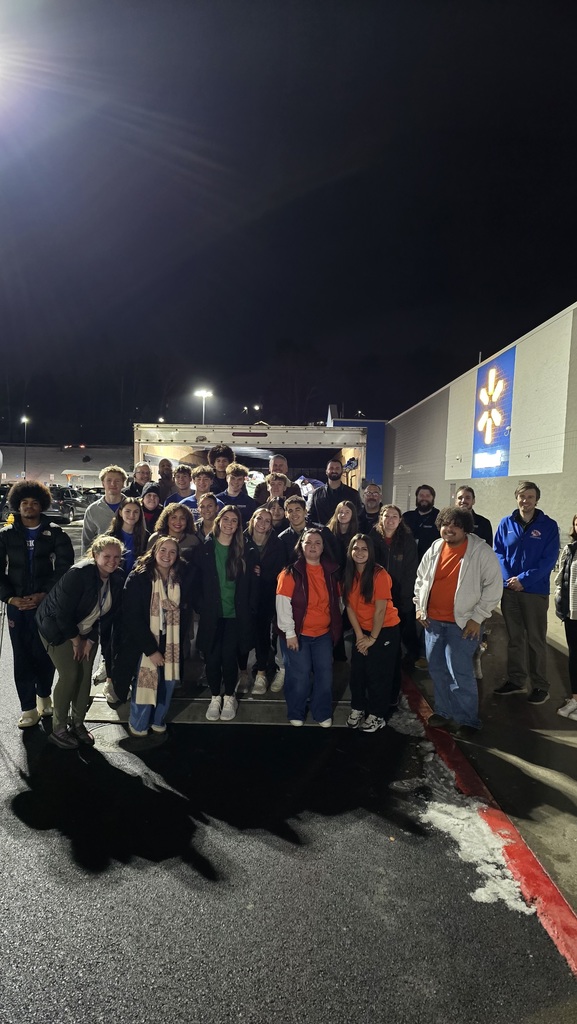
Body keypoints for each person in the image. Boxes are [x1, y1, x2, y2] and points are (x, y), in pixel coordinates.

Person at [414, 507, 503, 735]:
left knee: (460, 672)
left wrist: (477, 618)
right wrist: (419, 607)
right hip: (432, 623)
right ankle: (444, 712)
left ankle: (467, 720)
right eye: (445, 524)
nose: (449, 529)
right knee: (437, 669)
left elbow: (493, 588)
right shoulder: (435, 547)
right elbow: (421, 579)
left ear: (465, 528)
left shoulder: (480, 552)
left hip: (463, 624)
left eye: (455, 525)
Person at [36, 535, 124, 748]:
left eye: (117, 557)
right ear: (95, 555)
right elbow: (62, 613)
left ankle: (78, 723)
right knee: (71, 674)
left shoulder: (117, 577)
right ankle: (58, 728)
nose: (112, 561)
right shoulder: (80, 574)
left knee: (85, 677)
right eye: (106, 556)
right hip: (58, 629)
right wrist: (76, 640)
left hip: (87, 630)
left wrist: (91, 640)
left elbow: (108, 615)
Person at [0, 481, 74, 729]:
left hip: (45, 605)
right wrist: (10, 598)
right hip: (17, 605)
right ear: (17, 506)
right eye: (24, 503)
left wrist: (44, 595)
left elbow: (64, 569)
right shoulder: (7, 535)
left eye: (34, 503)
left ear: (41, 505)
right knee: (21, 656)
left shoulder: (55, 533)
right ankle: (28, 708)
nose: (29, 507)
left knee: (44, 653)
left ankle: (44, 696)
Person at [493, 481, 560, 704]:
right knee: (514, 638)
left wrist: (523, 580)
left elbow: (548, 560)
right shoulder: (505, 523)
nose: (525, 501)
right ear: (516, 498)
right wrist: (509, 580)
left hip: (534, 591)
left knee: (535, 640)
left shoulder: (548, 526)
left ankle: (540, 685)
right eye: (522, 496)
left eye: (530, 497)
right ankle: (516, 679)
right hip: (509, 591)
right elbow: (499, 553)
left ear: (536, 500)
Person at [118, 538, 186, 737]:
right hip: (145, 641)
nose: (167, 555)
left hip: (170, 639)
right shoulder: (139, 577)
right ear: (154, 551)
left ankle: (158, 719)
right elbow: (132, 618)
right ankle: (139, 723)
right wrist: (151, 650)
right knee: (146, 682)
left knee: (168, 682)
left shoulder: (178, 578)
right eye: (163, 550)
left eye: (172, 552)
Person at [196, 506, 256, 722]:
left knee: (229, 657)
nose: (230, 524)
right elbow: (195, 583)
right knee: (212, 658)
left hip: (235, 615)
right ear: (219, 521)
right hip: (212, 614)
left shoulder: (245, 550)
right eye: (226, 519)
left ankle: (229, 696)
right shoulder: (205, 548)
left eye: (234, 521)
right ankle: (215, 696)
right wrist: (202, 607)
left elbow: (252, 585)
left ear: (239, 526)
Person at [276, 528, 341, 727]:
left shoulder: (332, 572)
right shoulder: (289, 573)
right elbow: (282, 604)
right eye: (308, 542)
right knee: (300, 674)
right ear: (301, 546)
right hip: (297, 634)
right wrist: (290, 633)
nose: (313, 546)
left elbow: (339, 601)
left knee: (325, 674)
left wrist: (333, 626)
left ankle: (321, 712)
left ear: (323, 547)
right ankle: (296, 710)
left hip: (323, 634)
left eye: (317, 542)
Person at [344, 533, 400, 732]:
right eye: (355, 548)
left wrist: (372, 639)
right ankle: (358, 708)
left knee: (378, 675)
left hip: (384, 631)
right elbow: (349, 607)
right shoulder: (349, 574)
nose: (359, 552)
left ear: (371, 552)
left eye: (364, 549)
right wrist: (360, 636)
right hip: (363, 630)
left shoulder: (379, 574)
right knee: (358, 673)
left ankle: (377, 714)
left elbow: (380, 610)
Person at [241, 507, 285, 694]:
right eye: (260, 518)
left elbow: (281, 570)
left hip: (267, 596)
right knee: (241, 634)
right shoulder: (240, 540)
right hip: (242, 595)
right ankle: (242, 672)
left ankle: (261, 673)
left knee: (262, 635)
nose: (263, 523)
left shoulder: (278, 543)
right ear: (252, 519)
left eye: (268, 521)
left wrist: (263, 573)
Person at [370, 504, 420, 667]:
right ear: (381, 519)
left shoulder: (407, 540)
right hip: (378, 594)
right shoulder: (372, 537)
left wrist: (405, 596)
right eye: (387, 516)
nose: (390, 520)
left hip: (401, 595)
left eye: (394, 517)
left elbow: (411, 571)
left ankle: (409, 658)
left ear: (400, 520)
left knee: (404, 629)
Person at [555, 515, 577, 721]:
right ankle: (575, 699)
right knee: (575, 658)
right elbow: (561, 580)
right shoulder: (570, 550)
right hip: (573, 614)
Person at [81, 465, 128, 554]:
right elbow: (86, 541)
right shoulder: (93, 510)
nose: (113, 484)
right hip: (102, 561)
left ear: (123, 483)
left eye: (117, 481)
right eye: (109, 480)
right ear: (103, 483)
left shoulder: (132, 507)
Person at [278, 495, 337, 566]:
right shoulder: (283, 538)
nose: (294, 514)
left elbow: (334, 556)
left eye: (297, 510)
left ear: (305, 512)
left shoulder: (322, 531)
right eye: (290, 511)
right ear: (286, 514)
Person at [307, 459, 363, 525]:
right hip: (323, 534)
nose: (334, 470)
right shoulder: (316, 494)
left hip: (347, 534)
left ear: (342, 471)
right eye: (331, 468)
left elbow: (359, 516)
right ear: (326, 471)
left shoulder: (353, 494)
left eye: (337, 468)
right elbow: (311, 517)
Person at [107, 499, 149, 574]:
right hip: (114, 579)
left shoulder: (146, 536)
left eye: (136, 512)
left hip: (136, 580)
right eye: (128, 511)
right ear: (120, 512)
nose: (132, 515)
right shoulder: (110, 536)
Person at [402, 485, 440, 560]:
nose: (424, 498)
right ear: (417, 497)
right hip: (407, 561)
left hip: (430, 560)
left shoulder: (440, 517)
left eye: (428, 496)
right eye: (421, 495)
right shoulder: (406, 516)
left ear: (433, 498)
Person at [327, 500, 359, 570]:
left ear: (352, 514)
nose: (343, 515)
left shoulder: (357, 535)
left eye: (347, 512)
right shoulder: (327, 533)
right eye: (340, 512)